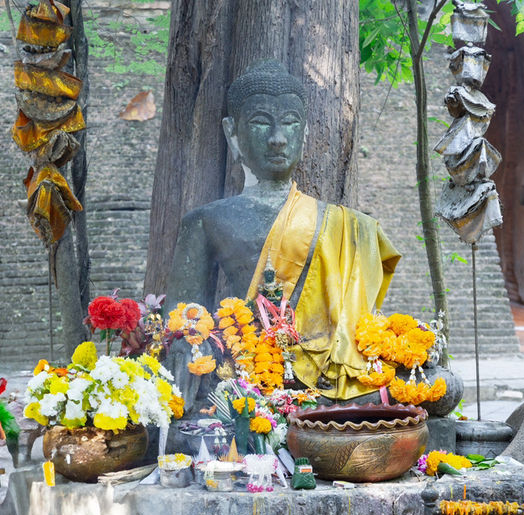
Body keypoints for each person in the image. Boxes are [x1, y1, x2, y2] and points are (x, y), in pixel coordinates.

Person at [164, 59, 400, 410]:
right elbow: (182, 316)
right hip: (247, 371)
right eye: (261, 123)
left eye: (290, 123)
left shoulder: (346, 224)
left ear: (304, 133)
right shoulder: (206, 220)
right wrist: (187, 346)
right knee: (206, 392)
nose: (277, 139)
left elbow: (360, 323)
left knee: (434, 383)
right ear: (232, 133)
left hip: (331, 372)